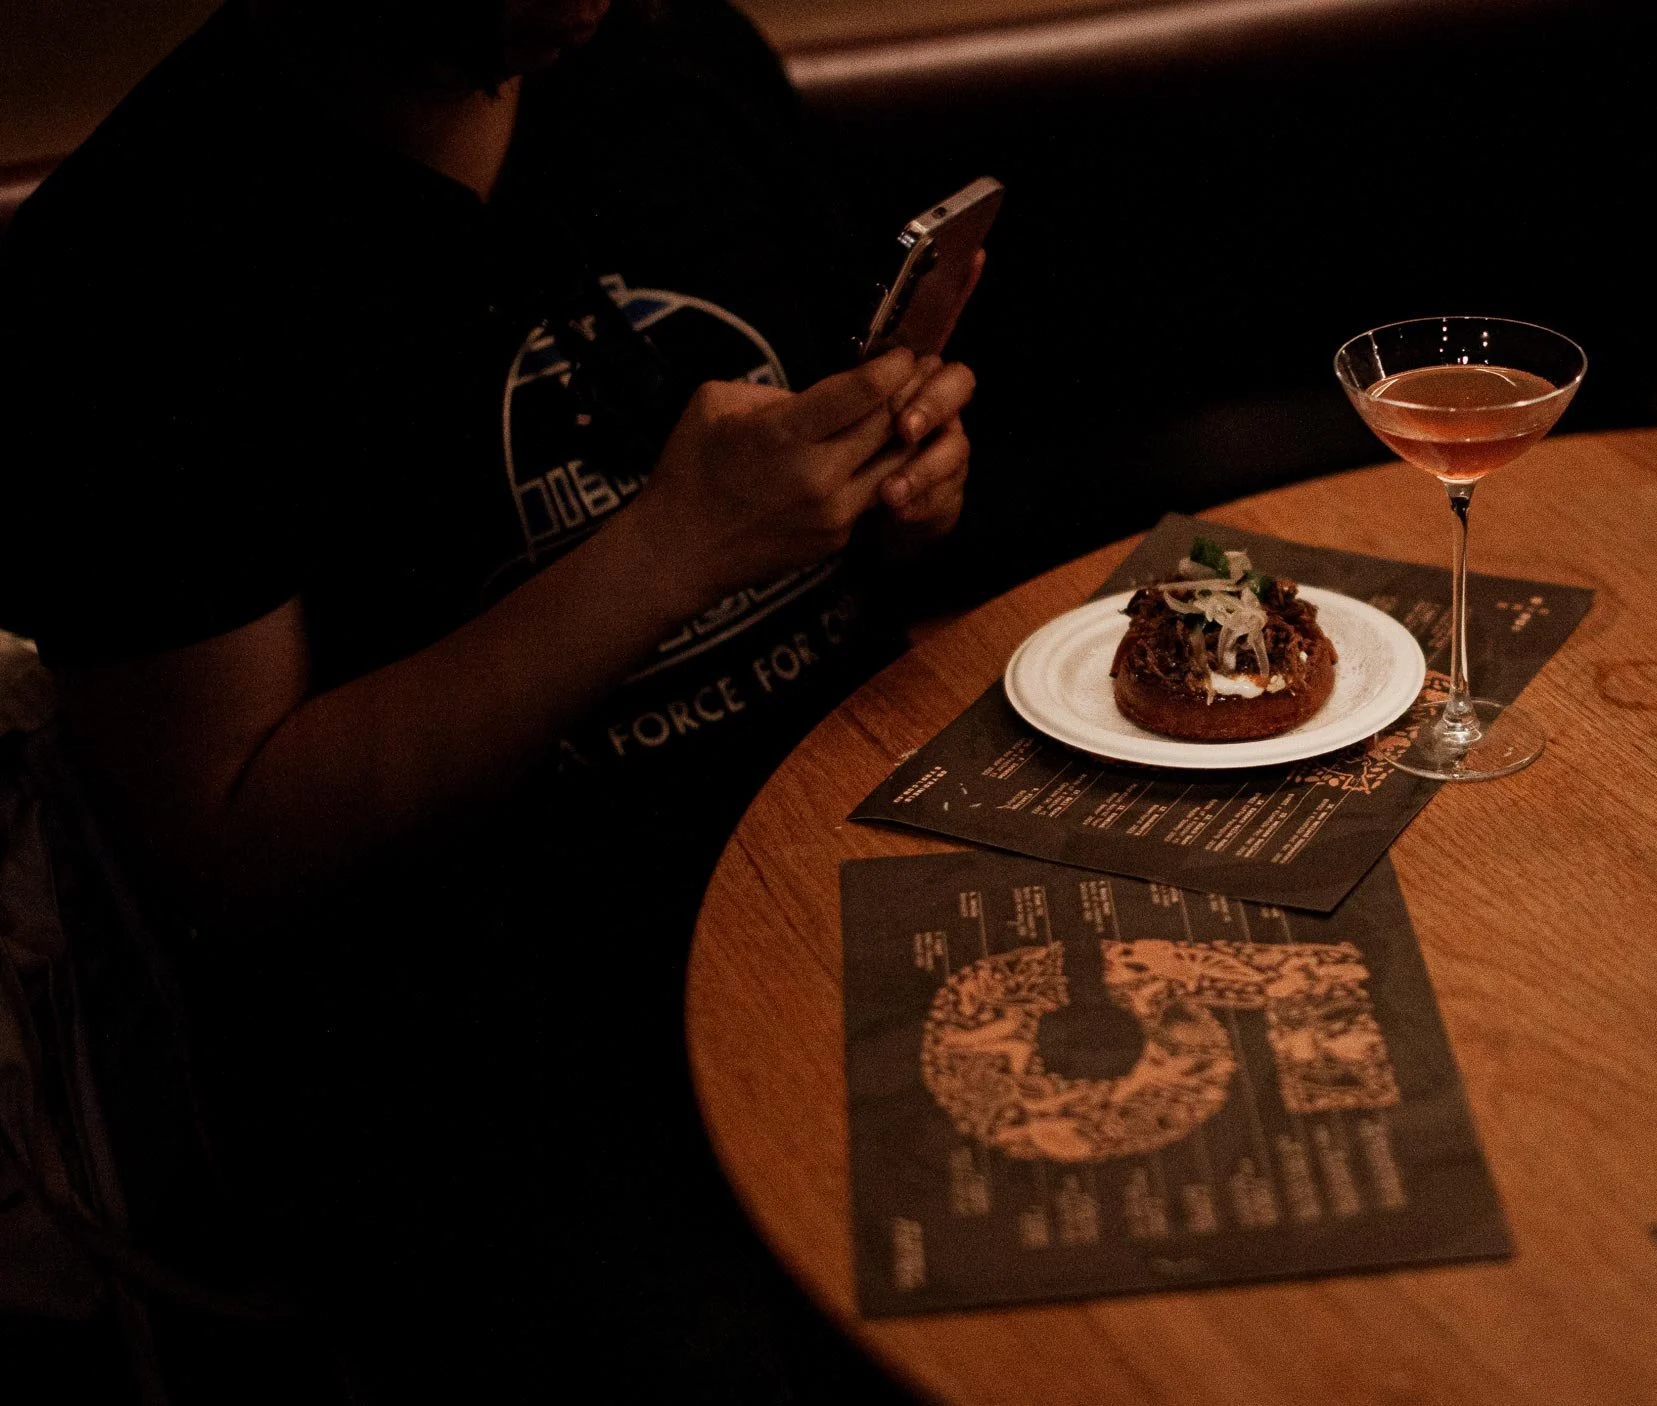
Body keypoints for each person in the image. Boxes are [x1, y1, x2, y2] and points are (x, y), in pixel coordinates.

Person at [0, 0, 973, 1398]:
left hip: (884, 896)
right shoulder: (138, 259)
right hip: (505, 1089)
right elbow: (227, 842)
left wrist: (904, 481)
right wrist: (665, 550)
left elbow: (859, 463)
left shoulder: (680, 62)